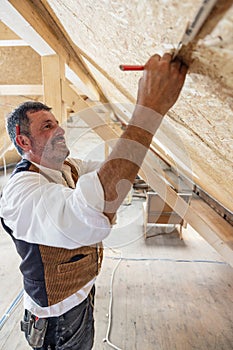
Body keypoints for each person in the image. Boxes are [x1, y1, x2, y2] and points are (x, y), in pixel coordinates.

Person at [0, 53, 187, 349]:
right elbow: (90, 215)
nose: (60, 130)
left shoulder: (66, 167)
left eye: (57, 123)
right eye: (47, 127)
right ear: (23, 142)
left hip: (81, 296)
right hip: (55, 319)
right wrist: (148, 111)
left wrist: (138, 130)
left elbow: (112, 170)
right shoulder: (20, 192)